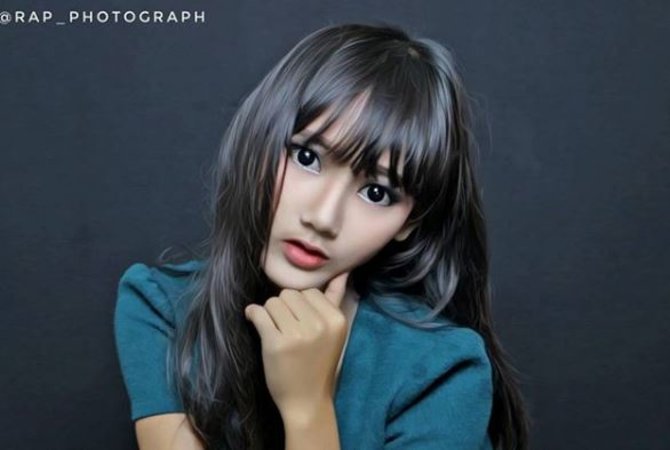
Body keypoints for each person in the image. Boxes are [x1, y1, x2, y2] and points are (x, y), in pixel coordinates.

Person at [114, 22, 531, 450]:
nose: (323, 217)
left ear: (411, 221)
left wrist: (308, 406)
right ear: (259, 137)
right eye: (307, 157)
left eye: (376, 193)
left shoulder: (441, 370)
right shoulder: (163, 307)